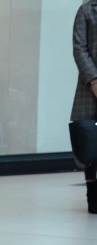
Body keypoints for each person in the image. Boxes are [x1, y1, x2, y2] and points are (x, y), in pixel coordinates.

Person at [72, 0, 97, 214]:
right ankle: (94, 196)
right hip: (90, 90)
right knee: (91, 144)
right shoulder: (86, 10)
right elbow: (79, 49)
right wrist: (95, 80)